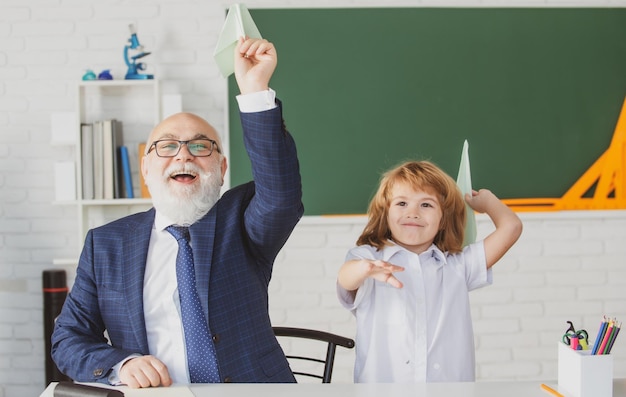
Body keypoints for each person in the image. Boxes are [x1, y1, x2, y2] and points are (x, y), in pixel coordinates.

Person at [51, 37, 303, 387]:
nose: (183, 156)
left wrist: (254, 89)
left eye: (200, 146)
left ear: (221, 167)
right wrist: (120, 364)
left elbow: (281, 194)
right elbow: (68, 339)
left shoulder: (243, 222)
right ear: (146, 168)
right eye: (167, 146)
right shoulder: (104, 244)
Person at [336, 160, 522, 383]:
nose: (413, 213)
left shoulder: (458, 266)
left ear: (443, 220)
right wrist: (364, 269)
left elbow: (511, 227)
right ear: (386, 213)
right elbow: (346, 278)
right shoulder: (369, 258)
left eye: (426, 205)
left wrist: (488, 202)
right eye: (402, 203)